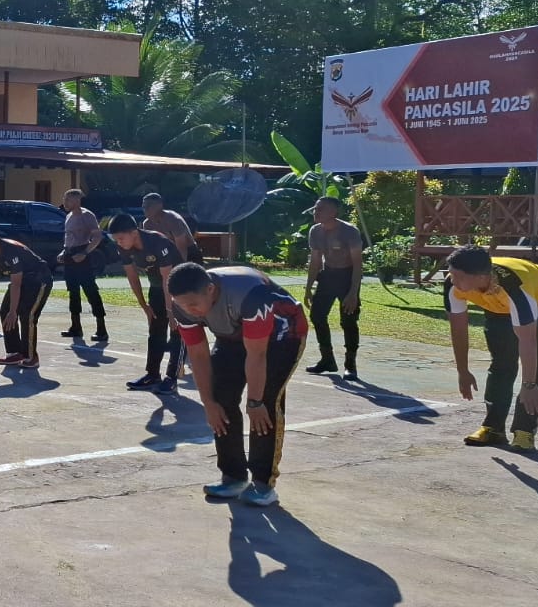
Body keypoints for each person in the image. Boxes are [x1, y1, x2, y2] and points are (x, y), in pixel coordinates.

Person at [168, 262, 308, 507]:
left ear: (210, 290)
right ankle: (233, 476)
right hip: (233, 335)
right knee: (221, 399)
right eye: (183, 305)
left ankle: (264, 483)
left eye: (193, 304)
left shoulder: (251, 296)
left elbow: (257, 355)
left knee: (265, 404)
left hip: (281, 337)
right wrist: (208, 403)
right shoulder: (182, 306)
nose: (191, 311)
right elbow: (198, 355)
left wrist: (254, 401)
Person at [444, 246, 538, 451]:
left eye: (457, 276)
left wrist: (529, 384)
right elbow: (459, 330)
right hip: (496, 306)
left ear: (480, 277)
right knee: (502, 362)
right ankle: (493, 428)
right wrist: (463, 371)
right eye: (450, 273)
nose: (451, 279)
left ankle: (524, 431)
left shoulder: (516, 289)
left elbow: (528, 341)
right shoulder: (452, 285)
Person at [108, 214, 185, 394]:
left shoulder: (158, 242)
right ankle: (152, 375)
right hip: (157, 288)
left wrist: (171, 311)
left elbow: (168, 279)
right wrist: (144, 306)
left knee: (177, 331)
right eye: (115, 239)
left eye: (121, 238)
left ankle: (172, 378)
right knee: (155, 330)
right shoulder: (124, 247)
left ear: (134, 232)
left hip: (179, 288)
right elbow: (132, 276)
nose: (118, 242)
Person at [0, 225, 53, 369]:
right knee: (5, 312)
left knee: (27, 315)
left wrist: (13, 311)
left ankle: (31, 357)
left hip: (39, 279)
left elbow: (16, 283)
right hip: (22, 281)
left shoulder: (11, 249)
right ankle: (14, 353)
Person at [303, 196, 364, 378]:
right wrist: (308, 288)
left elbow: (358, 264)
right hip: (328, 275)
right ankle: (327, 359)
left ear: (333, 212)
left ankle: (350, 364)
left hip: (348, 276)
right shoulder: (315, 231)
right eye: (315, 208)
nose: (316, 212)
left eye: (320, 209)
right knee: (317, 315)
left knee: (348, 320)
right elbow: (315, 262)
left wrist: (353, 292)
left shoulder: (350, 232)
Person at [60, 189, 107, 342]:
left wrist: (85, 253)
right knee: (73, 292)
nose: (65, 203)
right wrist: (64, 252)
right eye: (65, 199)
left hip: (82, 254)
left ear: (77, 200)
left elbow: (97, 237)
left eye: (68, 200)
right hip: (69, 255)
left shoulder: (87, 215)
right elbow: (69, 238)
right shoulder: (68, 216)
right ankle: (76, 327)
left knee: (90, 290)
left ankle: (101, 329)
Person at [142, 193, 199, 262]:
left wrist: (181, 267)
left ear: (160, 205)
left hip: (189, 253)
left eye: (148, 206)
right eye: (143, 207)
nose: (145, 209)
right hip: (167, 253)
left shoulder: (173, 219)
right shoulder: (147, 224)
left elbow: (182, 248)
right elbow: (151, 246)